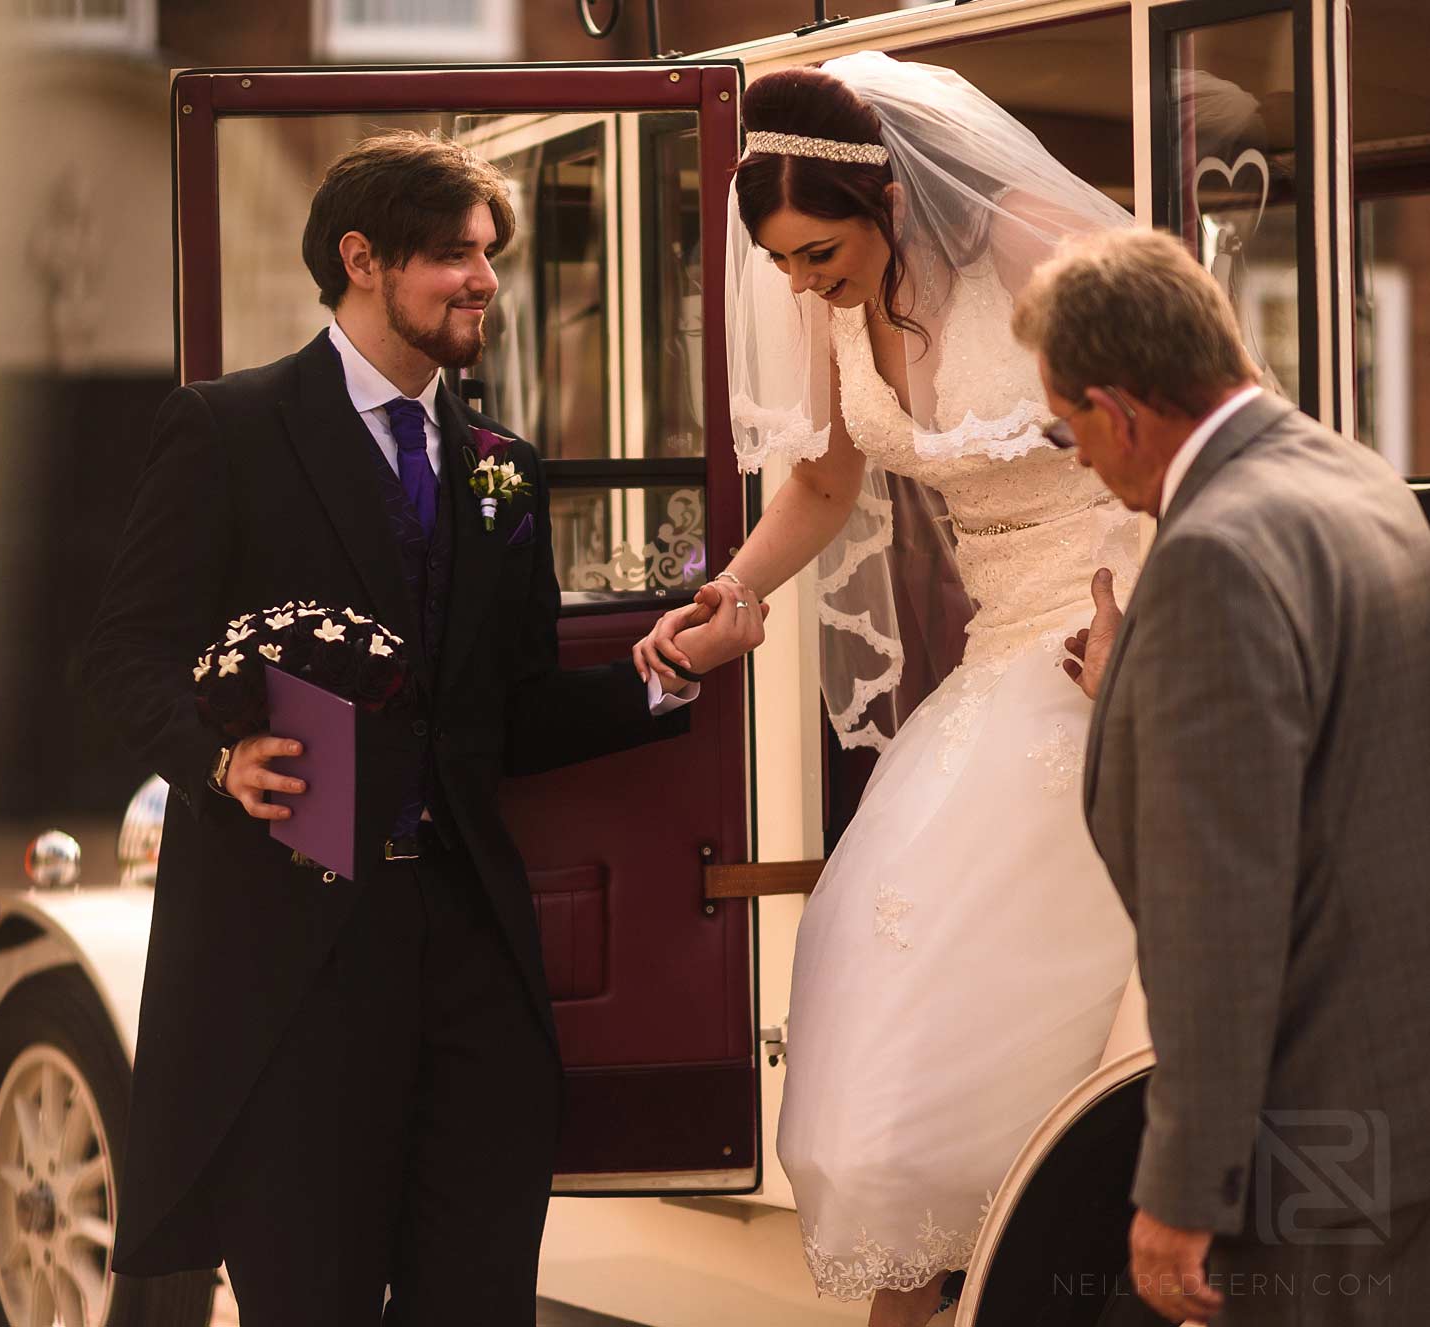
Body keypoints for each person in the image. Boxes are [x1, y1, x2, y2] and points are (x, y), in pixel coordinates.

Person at [85, 130, 760, 1326]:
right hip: (291, 966)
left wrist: (669, 672)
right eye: (454, 256)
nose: (485, 283)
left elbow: (505, 709)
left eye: (486, 256)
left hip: (470, 962)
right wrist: (217, 758)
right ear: (360, 259)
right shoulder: (226, 430)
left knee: (477, 1300)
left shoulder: (499, 466)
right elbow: (124, 652)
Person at [634, 54, 1142, 1327]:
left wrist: (1143, 605)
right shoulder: (829, 304)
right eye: (784, 264)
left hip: (1116, 638)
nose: (803, 284)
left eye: (819, 254)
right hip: (995, 658)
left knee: (1061, 1018)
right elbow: (818, 485)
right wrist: (727, 594)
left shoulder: (1031, 244)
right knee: (872, 1005)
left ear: (893, 202)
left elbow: (1189, 421)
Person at [1016, 227, 1430, 1326]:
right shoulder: (1355, 476)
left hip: (1311, 1121)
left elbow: (1221, 906)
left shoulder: (1211, 554)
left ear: (1119, 410)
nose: (1073, 455)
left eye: (1065, 425)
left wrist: (1183, 1186)